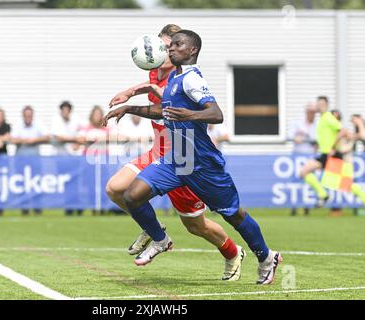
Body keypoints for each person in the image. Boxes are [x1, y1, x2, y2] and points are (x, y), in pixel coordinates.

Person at [104, 30, 280, 284]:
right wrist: (129, 107)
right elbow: (163, 110)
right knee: (132, 196)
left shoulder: (192, 80)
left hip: (202, 163)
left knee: (233, 215)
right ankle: (160, 240)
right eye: (170, 45)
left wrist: (189, 116)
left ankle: (266, 257)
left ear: (192, 51)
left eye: (177, 45)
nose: (170, 49)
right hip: (175, 158)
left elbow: (216, 114)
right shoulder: (174, 78)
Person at [299, 97, 347, 207]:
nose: (319, 106)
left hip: (332, 154)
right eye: (318, 103)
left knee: (344, 184)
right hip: (324, 154)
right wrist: (318, 145)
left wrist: (333, 147)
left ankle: (323, 194)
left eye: (322, 104)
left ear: (326, 105)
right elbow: (326, 135)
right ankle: (323, 194)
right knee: (304, 172)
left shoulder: (328, 117)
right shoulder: (321, 119)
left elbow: (343, 131)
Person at [11, 106, 50, 216]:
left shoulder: (38, 125)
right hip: (20, 159)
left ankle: (37, 206)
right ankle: (24, 207)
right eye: (26, 115)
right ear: (23, 116)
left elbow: (47, 137)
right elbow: (12, 139)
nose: (28, 117)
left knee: (36, 182)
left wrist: (34, 140)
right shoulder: (18, 125)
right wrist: (23, 140)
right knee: (22, 183)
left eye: (30, 115)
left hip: (35, 159)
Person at [288, 103, 317, 216]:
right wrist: (296, 138)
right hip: (297, 157)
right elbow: (291, 135)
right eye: (310, 112)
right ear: (306, 112)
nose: (312, 114)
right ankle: (294, 206)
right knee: (296, 183)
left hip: (310, 157)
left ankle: (307, 206)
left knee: (309, 182)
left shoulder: (317, 125)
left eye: (314, 112)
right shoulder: (298, 123)